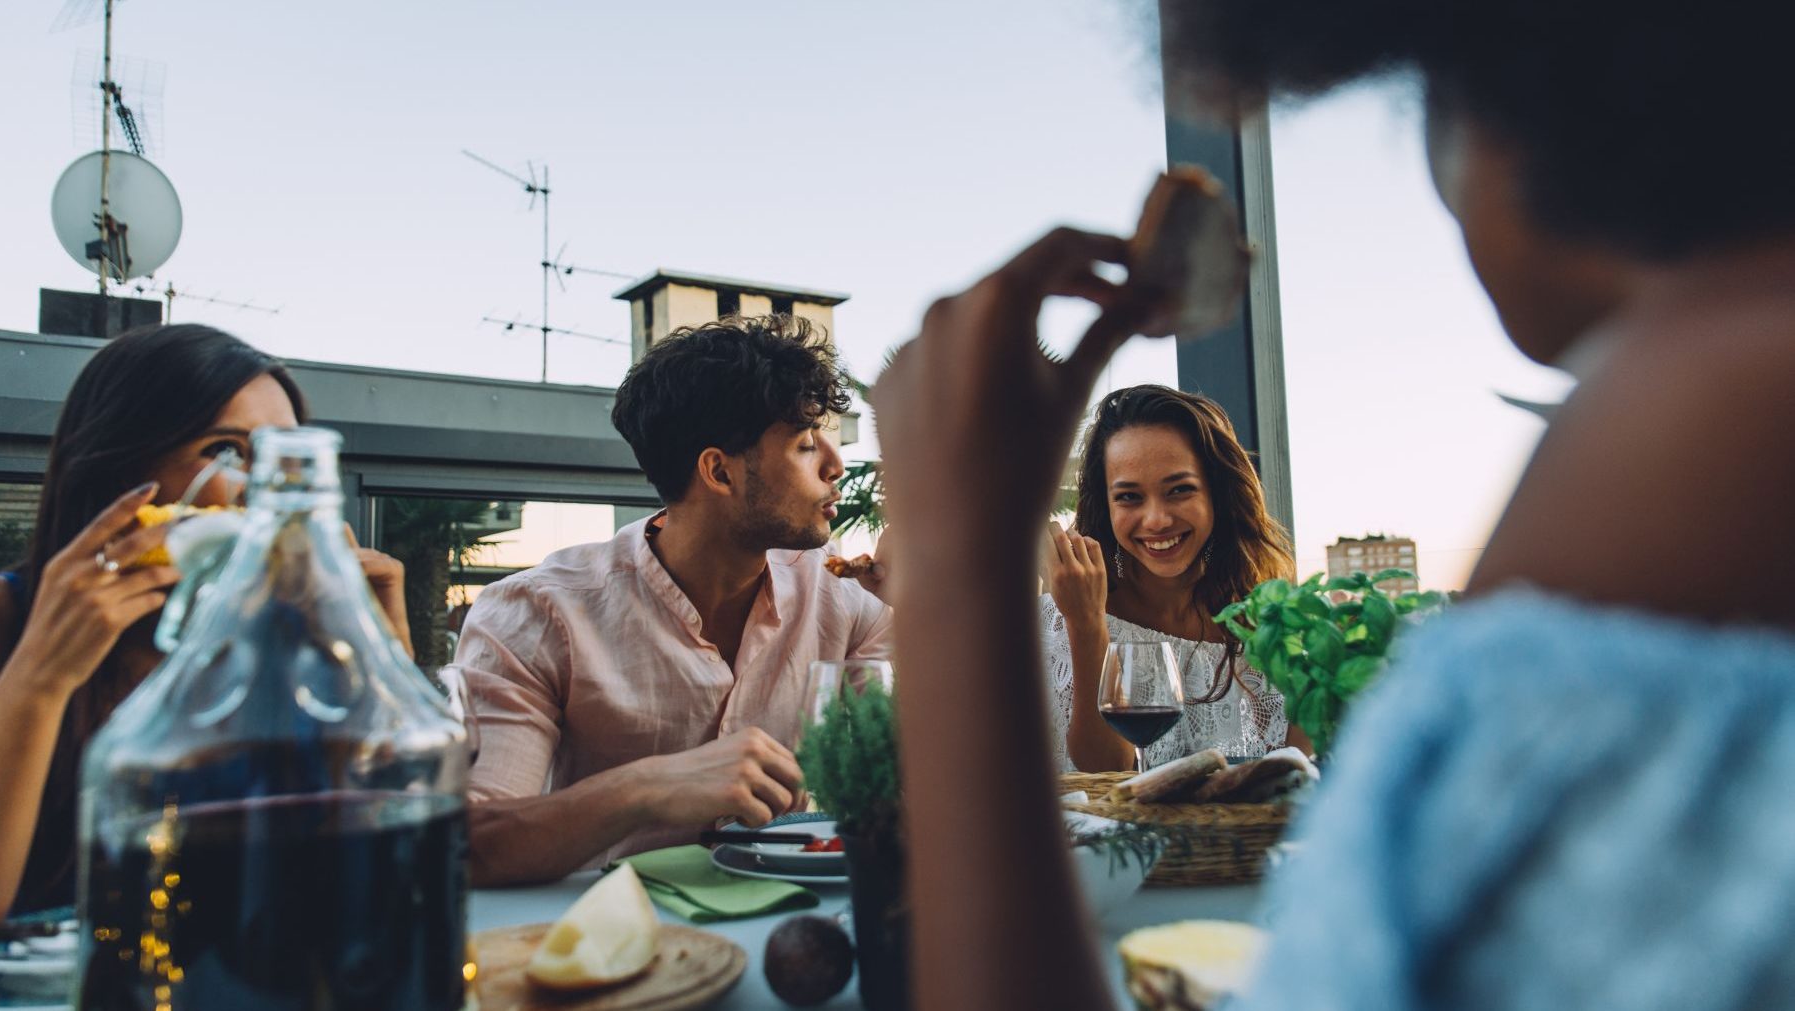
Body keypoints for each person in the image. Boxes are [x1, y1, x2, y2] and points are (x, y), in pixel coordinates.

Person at [869, 0, 1795, 1007]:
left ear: (1490, 123)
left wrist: (953, 566)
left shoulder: (1678, 440)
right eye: (1127, 495)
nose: (1152, 518)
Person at [452, 315, 892, 887]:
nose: (836, 466)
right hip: (609, 947)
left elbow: (918, 780)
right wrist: (646, 789)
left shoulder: (846, 595)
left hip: (804, 924)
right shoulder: (538, 613)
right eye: (807, 445)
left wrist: (930, 609)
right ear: (718, 471)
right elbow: (466, 843)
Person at [0, 324, 410, 919]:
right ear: (118, 472)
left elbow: (371, 875)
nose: (266, 492)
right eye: (228, 452)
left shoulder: (280, 648)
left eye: (282, 461)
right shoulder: (9, 617)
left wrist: (381, 668)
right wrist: (40, 679)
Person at [1043, 385, 1305, 771]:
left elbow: (1298, 775)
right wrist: (1086, 623)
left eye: (1179, 490)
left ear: (1217, 494)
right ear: (1107, 504)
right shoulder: (1050, 626)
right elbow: (1107, 772)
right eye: (1129, 497)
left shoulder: (1268, 633)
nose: (1156, 520)